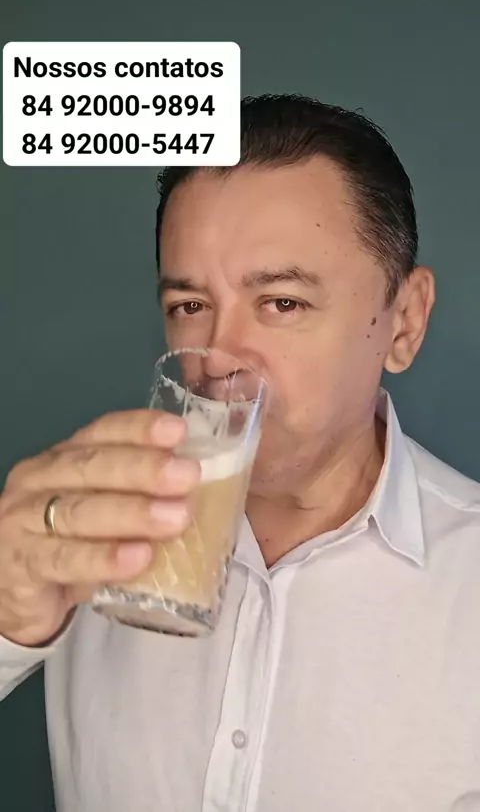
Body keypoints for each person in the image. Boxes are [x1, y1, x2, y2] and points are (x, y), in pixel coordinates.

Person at [1, 94, 479, 812]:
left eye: (282, 302)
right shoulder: (82, 535)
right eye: (190, 306)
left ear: (404, 323)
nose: (218, 359)